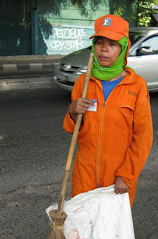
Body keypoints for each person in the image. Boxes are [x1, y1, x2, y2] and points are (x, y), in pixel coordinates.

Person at [63, 14, 153, 206]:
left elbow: (143, 138)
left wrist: (126, 175)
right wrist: (72, 112)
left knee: (111, 232)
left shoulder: (137, 85)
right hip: (84, 173)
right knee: (83, 230)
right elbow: (73, 129)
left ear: (123, 49)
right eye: (100, 42)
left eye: (112, 44)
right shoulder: (83, 83)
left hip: (117, 177)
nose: (104, 49)